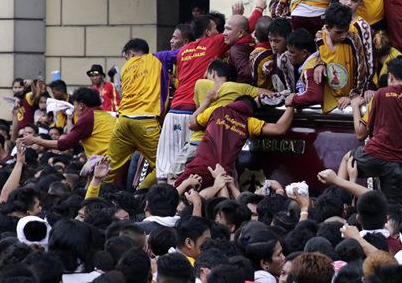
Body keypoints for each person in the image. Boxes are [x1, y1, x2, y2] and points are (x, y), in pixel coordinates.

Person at [158, 14, 233, 183]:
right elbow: (241, 28)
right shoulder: (213, 42)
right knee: (187, 169)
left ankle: (159, 202)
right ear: (208, 32)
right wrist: (257, 7)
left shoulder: (183, 51)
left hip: (173, 111)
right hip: (193, 113)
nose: (219, 32)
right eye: (216, 29)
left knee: (165, 168)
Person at [349, 57, 402, 204]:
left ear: (390, 76)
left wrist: (355, 106)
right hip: (401, 164)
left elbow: (360, 134)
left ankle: (343, 201)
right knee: (393, 210)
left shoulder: (380, 94)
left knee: (347, 159)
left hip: (376, 155)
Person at [175, 94, 295, 188]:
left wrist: (206, 101)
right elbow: (279, 129)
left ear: (234, 102)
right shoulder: (249, 122)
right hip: (223, 175)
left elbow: (191, 124)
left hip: (200, 168)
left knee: (174, 197)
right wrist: (290, 105)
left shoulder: (217, 110)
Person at [106, 38, 176, 188]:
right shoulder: (157, 58)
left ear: (130, 53)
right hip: (146, 122)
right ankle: (140, 193)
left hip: (123, 121)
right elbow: (181, 54)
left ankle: (90, 198)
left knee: (107, 168)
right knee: (164, 167)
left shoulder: (126, 67)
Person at [290, 4, 370, 113]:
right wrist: (319, 64)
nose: (343, 35)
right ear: (327, 27)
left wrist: (353, 96)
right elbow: (319, 55)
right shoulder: (319, 37)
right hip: (329, 98)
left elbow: (362, 69)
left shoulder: (353, 38)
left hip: (348, 99)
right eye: (338, 32)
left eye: (346, 30)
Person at [19, 87, 114, 158]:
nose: (74, 108)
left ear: (81, 105)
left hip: (107, 163)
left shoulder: (87, 117)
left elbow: (64, 144)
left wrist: (35, 140)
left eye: (74, 104)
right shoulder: (105, 115)